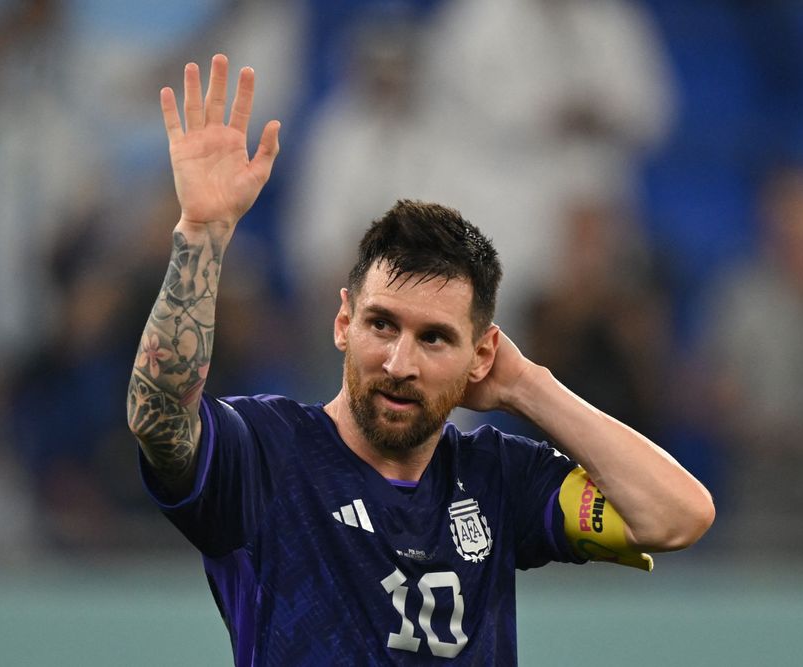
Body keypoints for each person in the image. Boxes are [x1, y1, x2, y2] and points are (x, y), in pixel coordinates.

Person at [127, 54, 714, 665]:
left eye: (434, 338)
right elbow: (158, 416)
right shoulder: (266, 456)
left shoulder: (498, 477)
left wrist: (527, 386)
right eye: (381, 325)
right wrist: (202, 232)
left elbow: (677, 516)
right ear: (343, 323)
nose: (399, 361)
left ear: (481, 353)